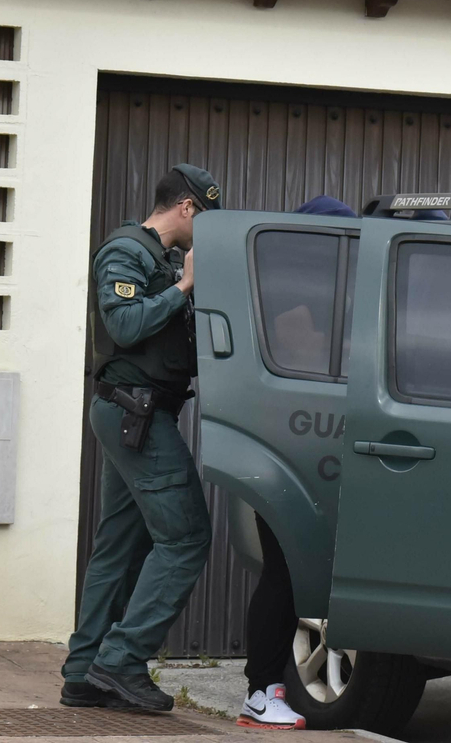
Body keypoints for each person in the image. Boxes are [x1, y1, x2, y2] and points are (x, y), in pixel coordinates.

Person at [60, 164, 222, 711]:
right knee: (186, 537)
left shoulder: (163, 260)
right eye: (207, 216)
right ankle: (123, 660)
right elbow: (125, 326)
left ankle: (84, 672)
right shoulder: (126, 251)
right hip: (135, 415)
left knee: (120, 546)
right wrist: (184, 287)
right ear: (188, 208)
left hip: (139, 415)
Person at [233, 194, 358, 730]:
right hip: (292, 446)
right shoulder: (289, 293)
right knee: (285, 575)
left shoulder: (310, 289)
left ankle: (265, 687)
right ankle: (260, 691)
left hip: (305, 445)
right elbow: (301, 358)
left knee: (293, 575)